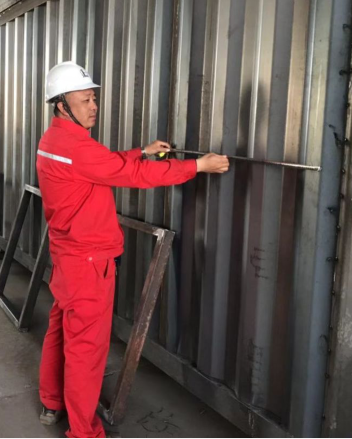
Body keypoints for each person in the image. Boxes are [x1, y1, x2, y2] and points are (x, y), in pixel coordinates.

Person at [36, 61, 229, 438]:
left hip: (67, 257)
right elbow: (132, 175)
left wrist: (142, 150)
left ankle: (51, 402)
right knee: (86, 352)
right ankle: (83, 433)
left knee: (60, 330)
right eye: (85, 100)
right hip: (89, 263)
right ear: (62, 105)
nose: (94, 106)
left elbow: (106, 166)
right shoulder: (77, 147)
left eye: (94, 98)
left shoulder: (54, 141)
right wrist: (197, 166)